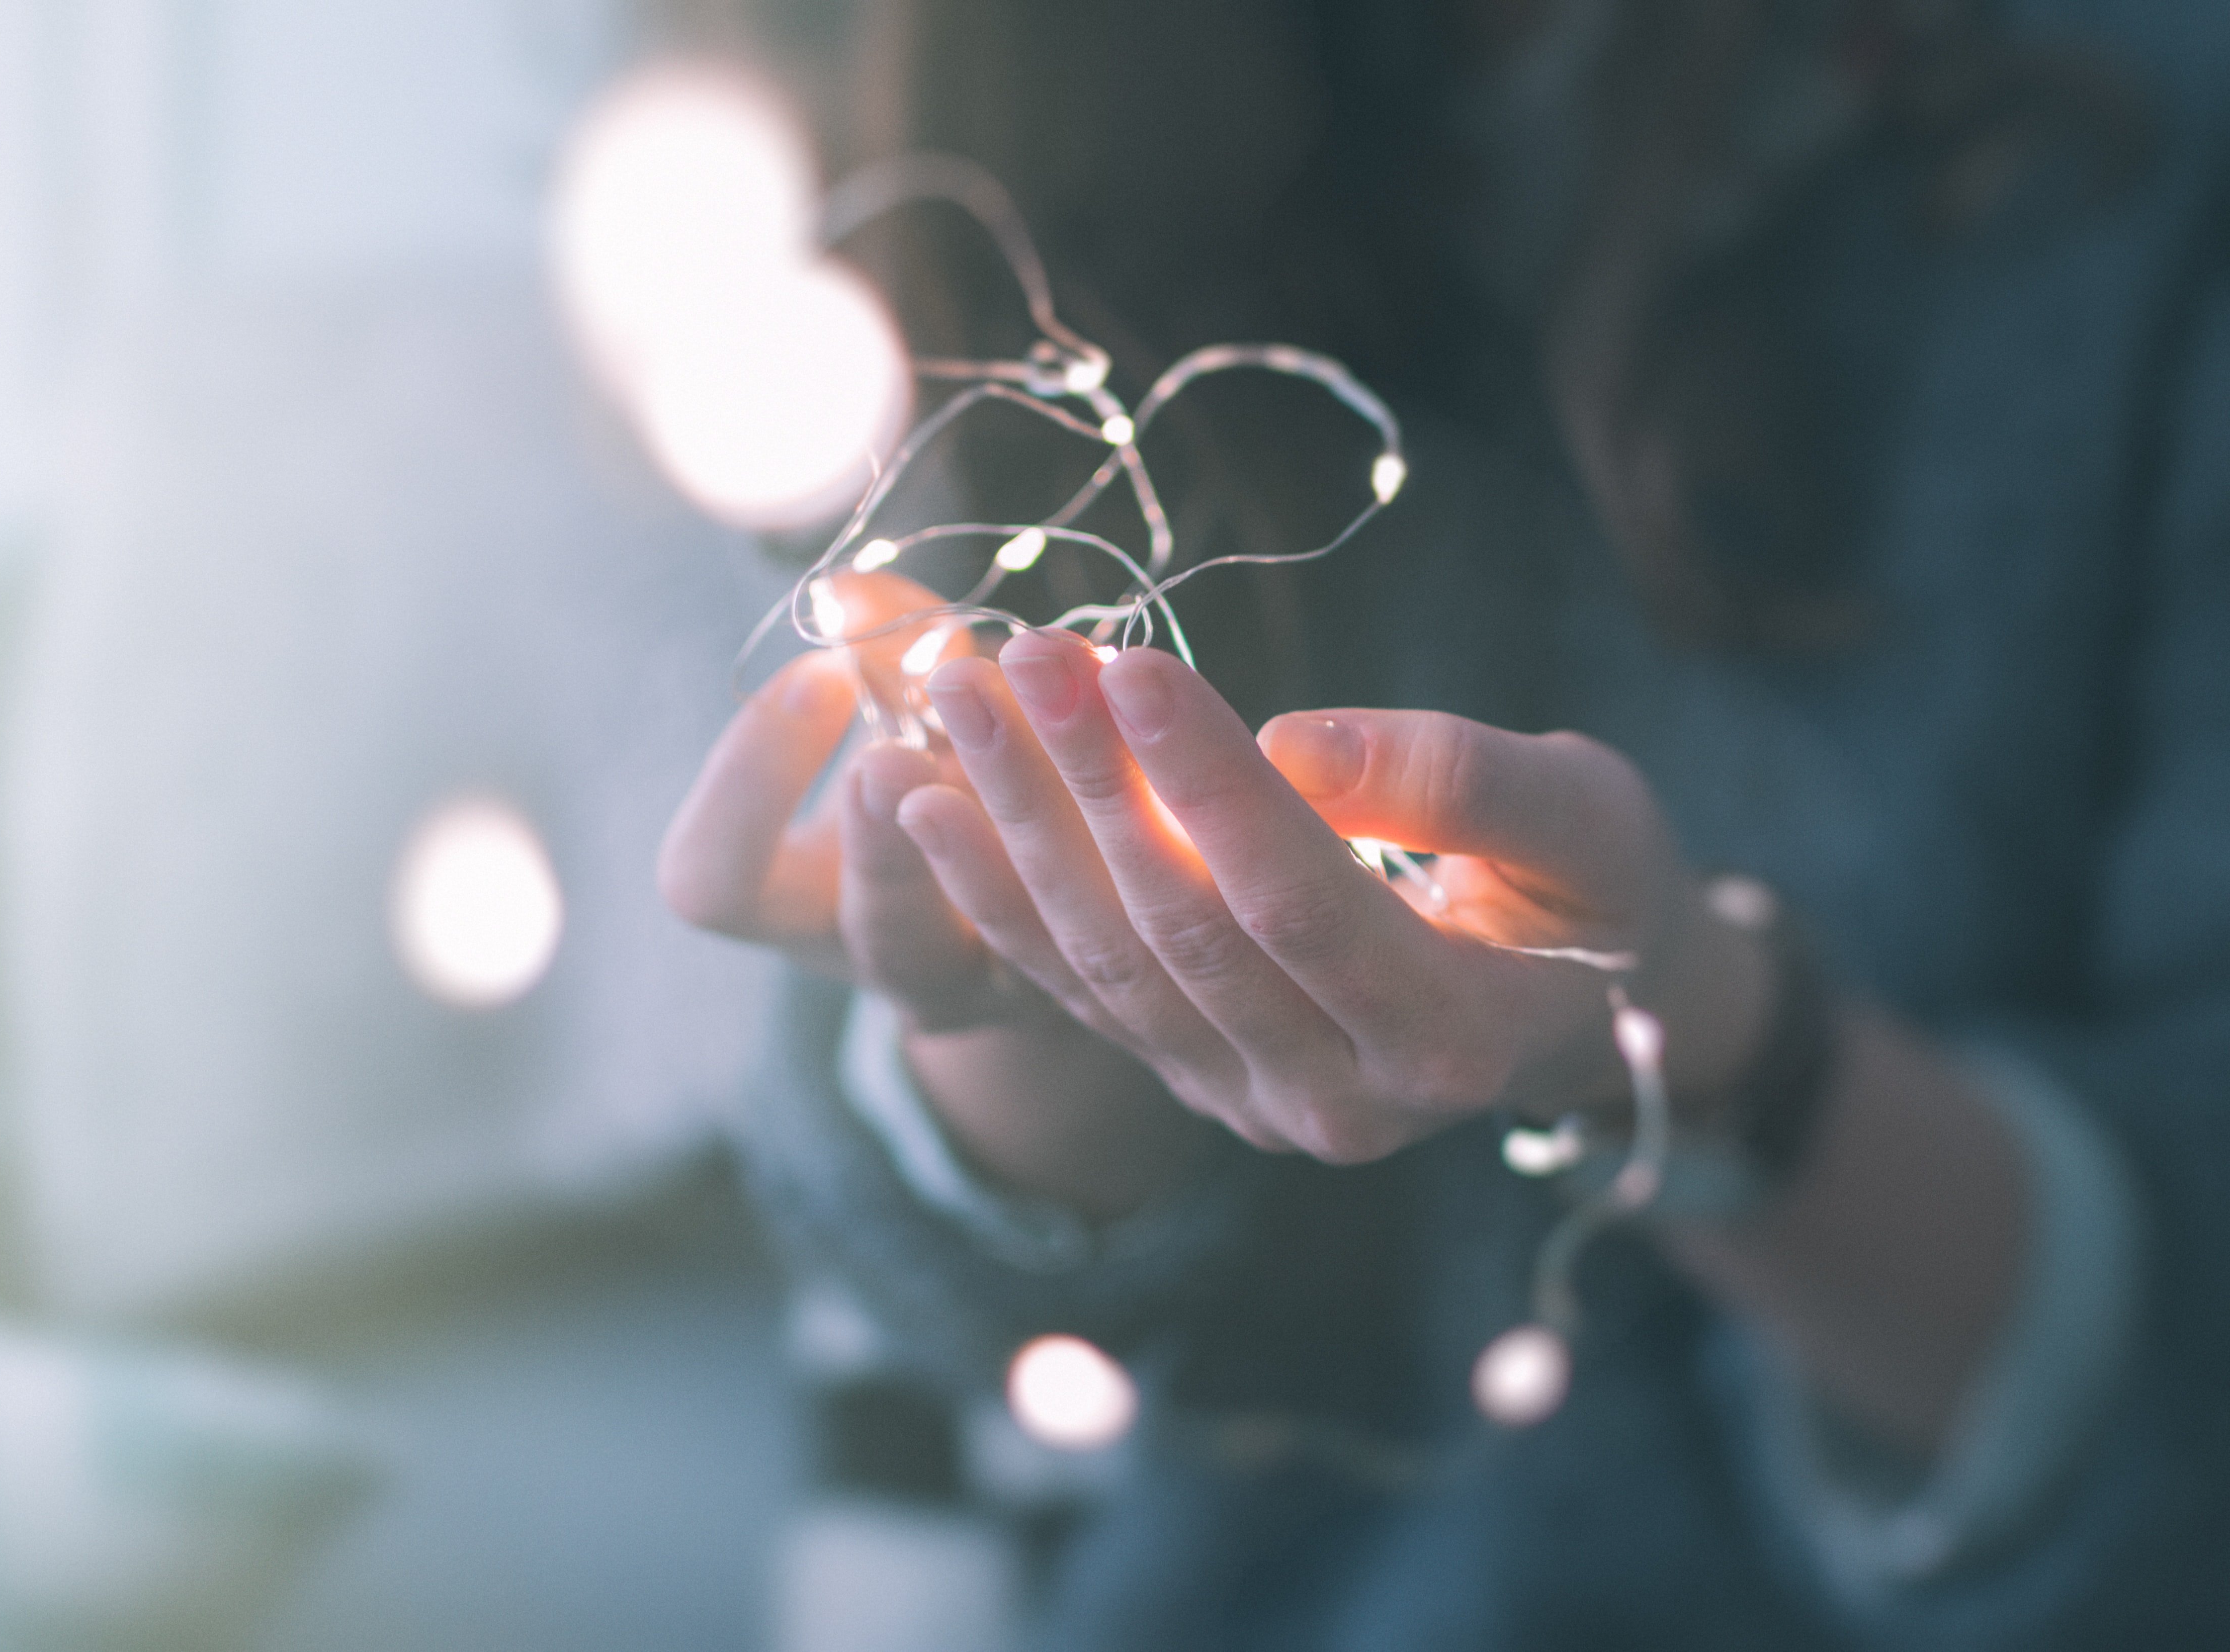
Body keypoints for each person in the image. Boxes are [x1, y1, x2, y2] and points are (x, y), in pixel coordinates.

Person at [658, 0, 2230, 1643]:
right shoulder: (989, 127)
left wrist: (1699, 1039)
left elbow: (2192, 1394)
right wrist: (1021, 1006)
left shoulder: (2138, 152)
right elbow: (949, 1304)